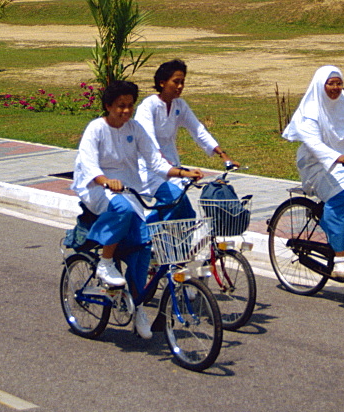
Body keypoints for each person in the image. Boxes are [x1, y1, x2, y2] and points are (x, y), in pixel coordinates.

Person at [71, 79, 200, 339]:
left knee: (143, 247)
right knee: (125, 211)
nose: (126, 111)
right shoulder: (96, 128)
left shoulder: (135, 129)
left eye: (130, 106)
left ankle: (138, 306)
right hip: (96, 189)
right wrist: (106, 181)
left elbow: (155, 161)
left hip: (129, 189)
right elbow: (89, 164)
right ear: (108, 106)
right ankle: (106, 262)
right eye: (120, 106)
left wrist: (183, 172)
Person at [282, 66, 344, 281]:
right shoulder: (311, 110)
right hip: (317, 165)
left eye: (339, 83)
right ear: (320, 85)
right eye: (330, 84)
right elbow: (313, 144)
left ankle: (337, 233)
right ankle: (340, 259)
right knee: (343, 205)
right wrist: (336, 157)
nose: (335, 88)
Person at [135, 59, 237, 219]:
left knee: (187, 215)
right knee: (173, 201)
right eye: (176, 82)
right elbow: (150, 144)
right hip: (148, 170)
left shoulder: (179, 105)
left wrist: (222, 155)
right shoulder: (148, 106)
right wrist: (183, 172)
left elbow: (198, 130)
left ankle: (168, 242)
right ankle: (144, 239)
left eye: (182, 82)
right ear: (162, 83)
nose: (180, 86)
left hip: (172, 168)